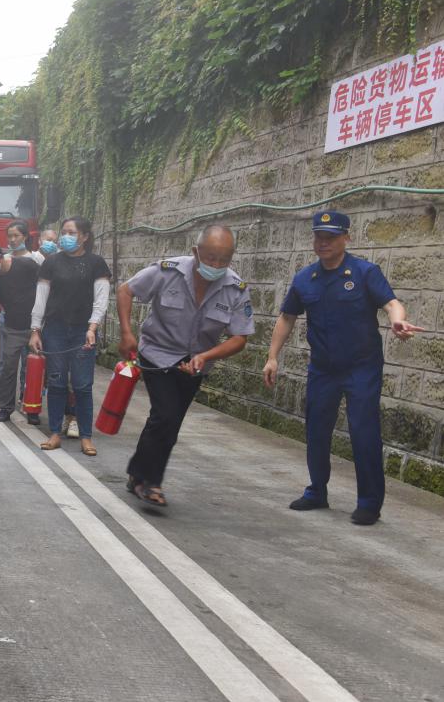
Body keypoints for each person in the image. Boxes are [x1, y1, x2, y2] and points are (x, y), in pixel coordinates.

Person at [262, 211, 422, 525]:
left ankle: (369, 503)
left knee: (364, 432)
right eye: (319, 237)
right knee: (316, 429)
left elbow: (391, 303)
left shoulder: (364, 272)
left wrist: (397, 321)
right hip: (323, 368)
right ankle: (316, 491)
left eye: (331, 237)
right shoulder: (305, 278)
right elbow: (287, 317)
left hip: (362, 367)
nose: (323, 243)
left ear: (346, 237)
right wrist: (272, 356)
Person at [117, 226, 254, 506]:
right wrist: (127, 333)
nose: (216, 265)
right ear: (196, 252)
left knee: (169, 421)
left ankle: (137, 474)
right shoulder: (167, 271)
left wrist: (206, 356)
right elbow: (125, 291)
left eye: (224, 260)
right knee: (165, 415)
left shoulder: (235, 288)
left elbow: (240, 337)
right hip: (157, 353)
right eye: (211, 257)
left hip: (196, 362)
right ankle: (150, 482)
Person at [30, 217, 111, 455]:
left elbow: (101, 299)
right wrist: (35, 330)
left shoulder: (96, 263)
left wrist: (92, 328)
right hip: (54, 329)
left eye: (71, 232)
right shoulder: (51, 262)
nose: (66, 236)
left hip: (82, 331)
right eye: (63, 232)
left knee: (82, 385)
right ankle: (55, 432)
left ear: (84, 236)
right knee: (56, 382)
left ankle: (86, 436)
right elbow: (41, 298)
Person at [0, 241, 41, 423]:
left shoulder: (27, 265)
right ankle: (6, 408)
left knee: (34, 369)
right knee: (7, 369)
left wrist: (40, 324)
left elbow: (45, 288)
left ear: (0, 258)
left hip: (35, 327)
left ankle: (32, 409)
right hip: (12, 328)